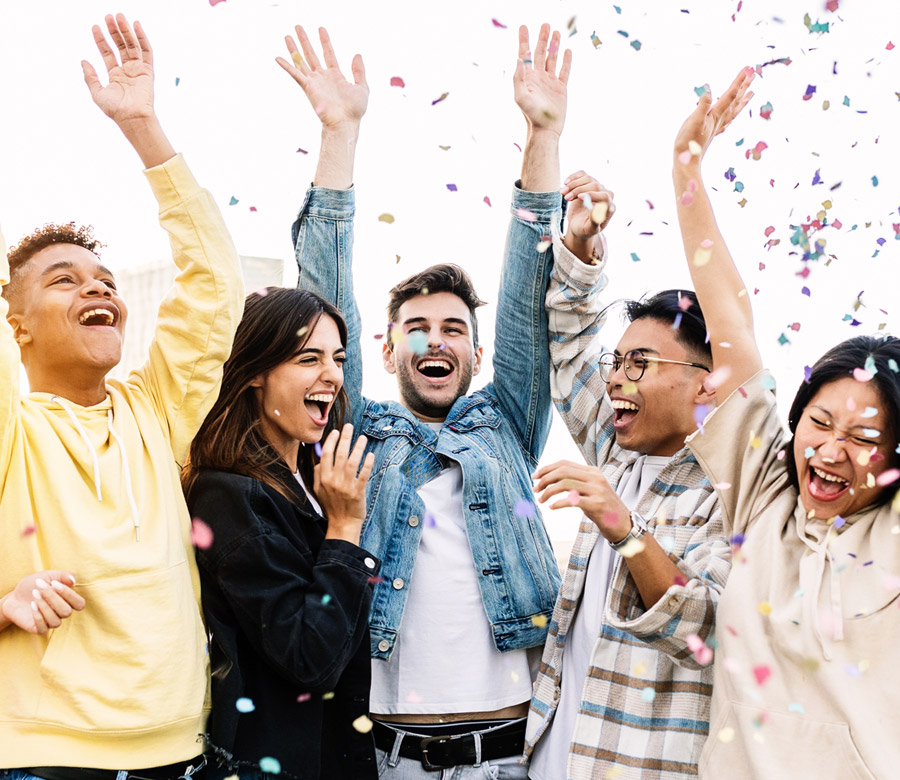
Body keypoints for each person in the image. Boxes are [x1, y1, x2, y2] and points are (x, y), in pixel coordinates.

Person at [279, 22, 567, 777]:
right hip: (389, 757)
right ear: (383, 349)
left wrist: (542, 135)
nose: (436, 341)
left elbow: (525, 302)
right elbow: (323, 296)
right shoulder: (356, 436)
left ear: (474, 352)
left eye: (453, 329)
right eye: (416, 328)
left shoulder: (506, 424)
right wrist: (339, 134)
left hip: (510, 755)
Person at [0, 13, 244, 779]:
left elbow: (214, 289)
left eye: (103, 279)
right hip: (44, 758)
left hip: (180, 753)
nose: (96, 286)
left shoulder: (153, 411)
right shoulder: (14, 427)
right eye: (63, 280)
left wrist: (144, 127)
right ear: (16, 323)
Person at [673, 68, 900, 779]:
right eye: (820, 422)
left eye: (865, 439)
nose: (831, 449)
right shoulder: (764, 491)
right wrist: (686, 166)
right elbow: (731, 320)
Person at [524, 168, 731, 777]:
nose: (615, 377)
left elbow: (706, 630)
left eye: (639, 363)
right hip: (550, 761)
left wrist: (625, 528)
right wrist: (584, 244)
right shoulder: (615, 449)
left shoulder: (734, 493)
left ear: (706, 383)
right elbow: (569, 340)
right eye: (617, 361)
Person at [183, 288, 380, 779]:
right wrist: (345, 528)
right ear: (253, 371)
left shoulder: (313, 484)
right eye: (308, 358)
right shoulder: (226, 494)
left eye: (337, 358)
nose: (331, 374)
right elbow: (308, 657)